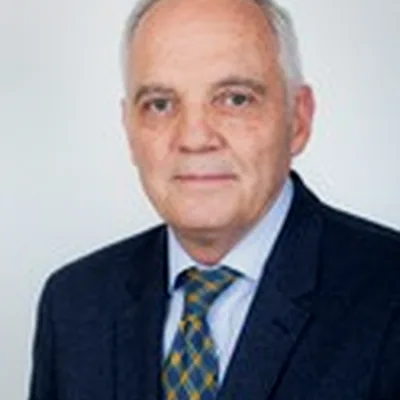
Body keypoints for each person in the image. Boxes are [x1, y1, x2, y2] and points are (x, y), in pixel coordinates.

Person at [28, 0, 400, 399]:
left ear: (298, 119)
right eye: (160, 104)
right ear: (130, 131)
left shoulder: (389, 292)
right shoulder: (74, 304)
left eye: (235, 99)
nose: (194, 137)